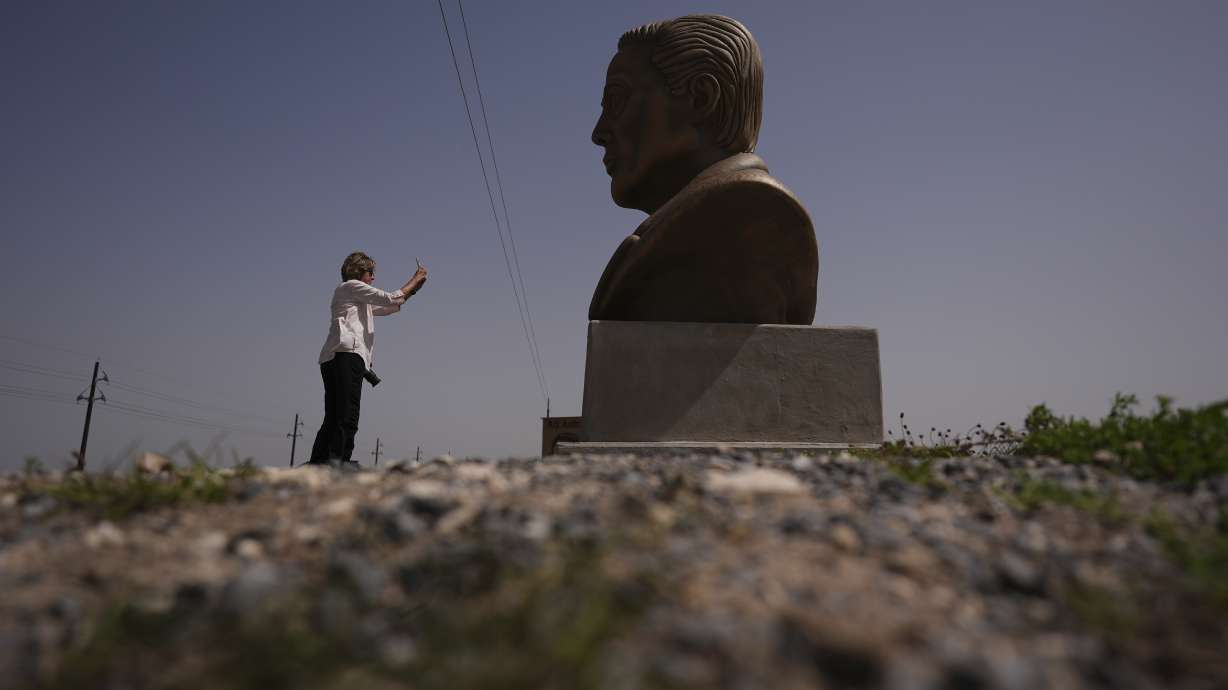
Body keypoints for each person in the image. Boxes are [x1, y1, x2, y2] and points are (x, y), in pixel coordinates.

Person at [588, 14, 819, 325]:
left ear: (701, 98)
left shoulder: (749, 216)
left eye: (617, 102)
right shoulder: (692, 226)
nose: (599, 133)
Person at [307, 251, 427, 468]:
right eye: (370, 272)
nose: (373, 277)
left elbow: (391, 306)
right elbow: (390, 297)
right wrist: (415, 279)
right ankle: (338, 463)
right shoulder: (351, 286)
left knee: (334, 415)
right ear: (358, 272)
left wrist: (413, 291)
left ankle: (320, 462)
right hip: (347, 356)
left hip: (333, 357)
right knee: (348, 415)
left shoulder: (354, 298)